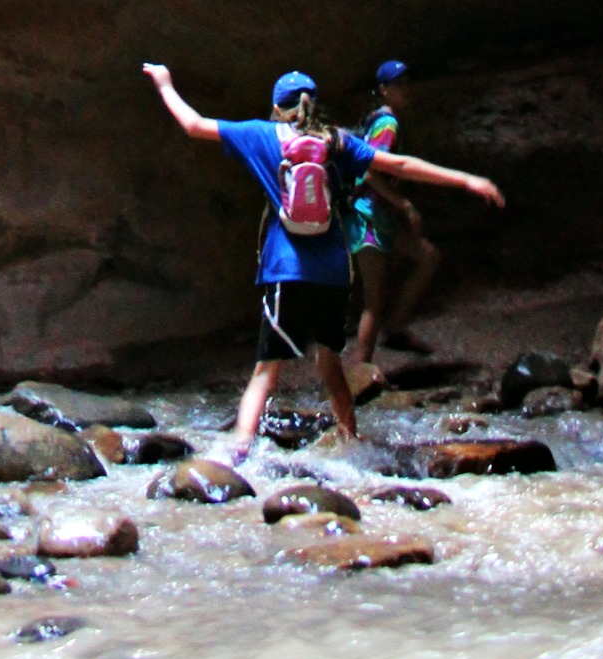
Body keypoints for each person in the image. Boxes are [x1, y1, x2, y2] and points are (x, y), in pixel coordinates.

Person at [143, 60, 504, 450]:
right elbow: (399, 164)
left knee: (266, 372)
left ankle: (240, 455)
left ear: (278, 107)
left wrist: (165, 84)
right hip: (333, 271)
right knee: (330, 365)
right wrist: (466, 179)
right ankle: (352, 444)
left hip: (286, 268)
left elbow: (194, 125)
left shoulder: (262, 135)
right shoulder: (339, 142)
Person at [350, 58, 440, 369]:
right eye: (397, 84)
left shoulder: (375, 120)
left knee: (427, 255)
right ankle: (360, 373)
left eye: (406, 82)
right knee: (374, 301)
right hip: (368, 217)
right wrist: (403, 203)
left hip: (380, 216)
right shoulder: (387, 124)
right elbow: (372, 170)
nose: (405, 89)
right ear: (384, 90)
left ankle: (397, 328)